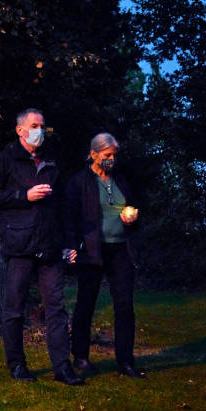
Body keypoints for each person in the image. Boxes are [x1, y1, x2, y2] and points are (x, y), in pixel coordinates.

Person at [0, 108, 84, 385]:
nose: (40, 130)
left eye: (42, 125)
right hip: (20, 244)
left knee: (56, 308)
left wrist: (67, 243)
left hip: (50, 245)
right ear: (20, 130)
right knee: (15, 308)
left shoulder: (50, 160)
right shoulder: (5, 160)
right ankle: (16, 365)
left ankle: (62, 367)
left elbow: (63, 205)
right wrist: (23, 195)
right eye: (35, 125)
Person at [63, 133, 145, 378]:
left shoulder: (120, 180)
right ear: (94, 153)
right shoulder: (79, 182)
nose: (111, 159)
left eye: (114, 155)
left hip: (120, 249)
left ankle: (125, 361)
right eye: (107, 155)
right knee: (86, 303)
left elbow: (135, 207)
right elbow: (70, 217)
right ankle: (80, 356)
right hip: (92, 250)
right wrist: (70, 246)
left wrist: (132, 218)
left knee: (124, 305)